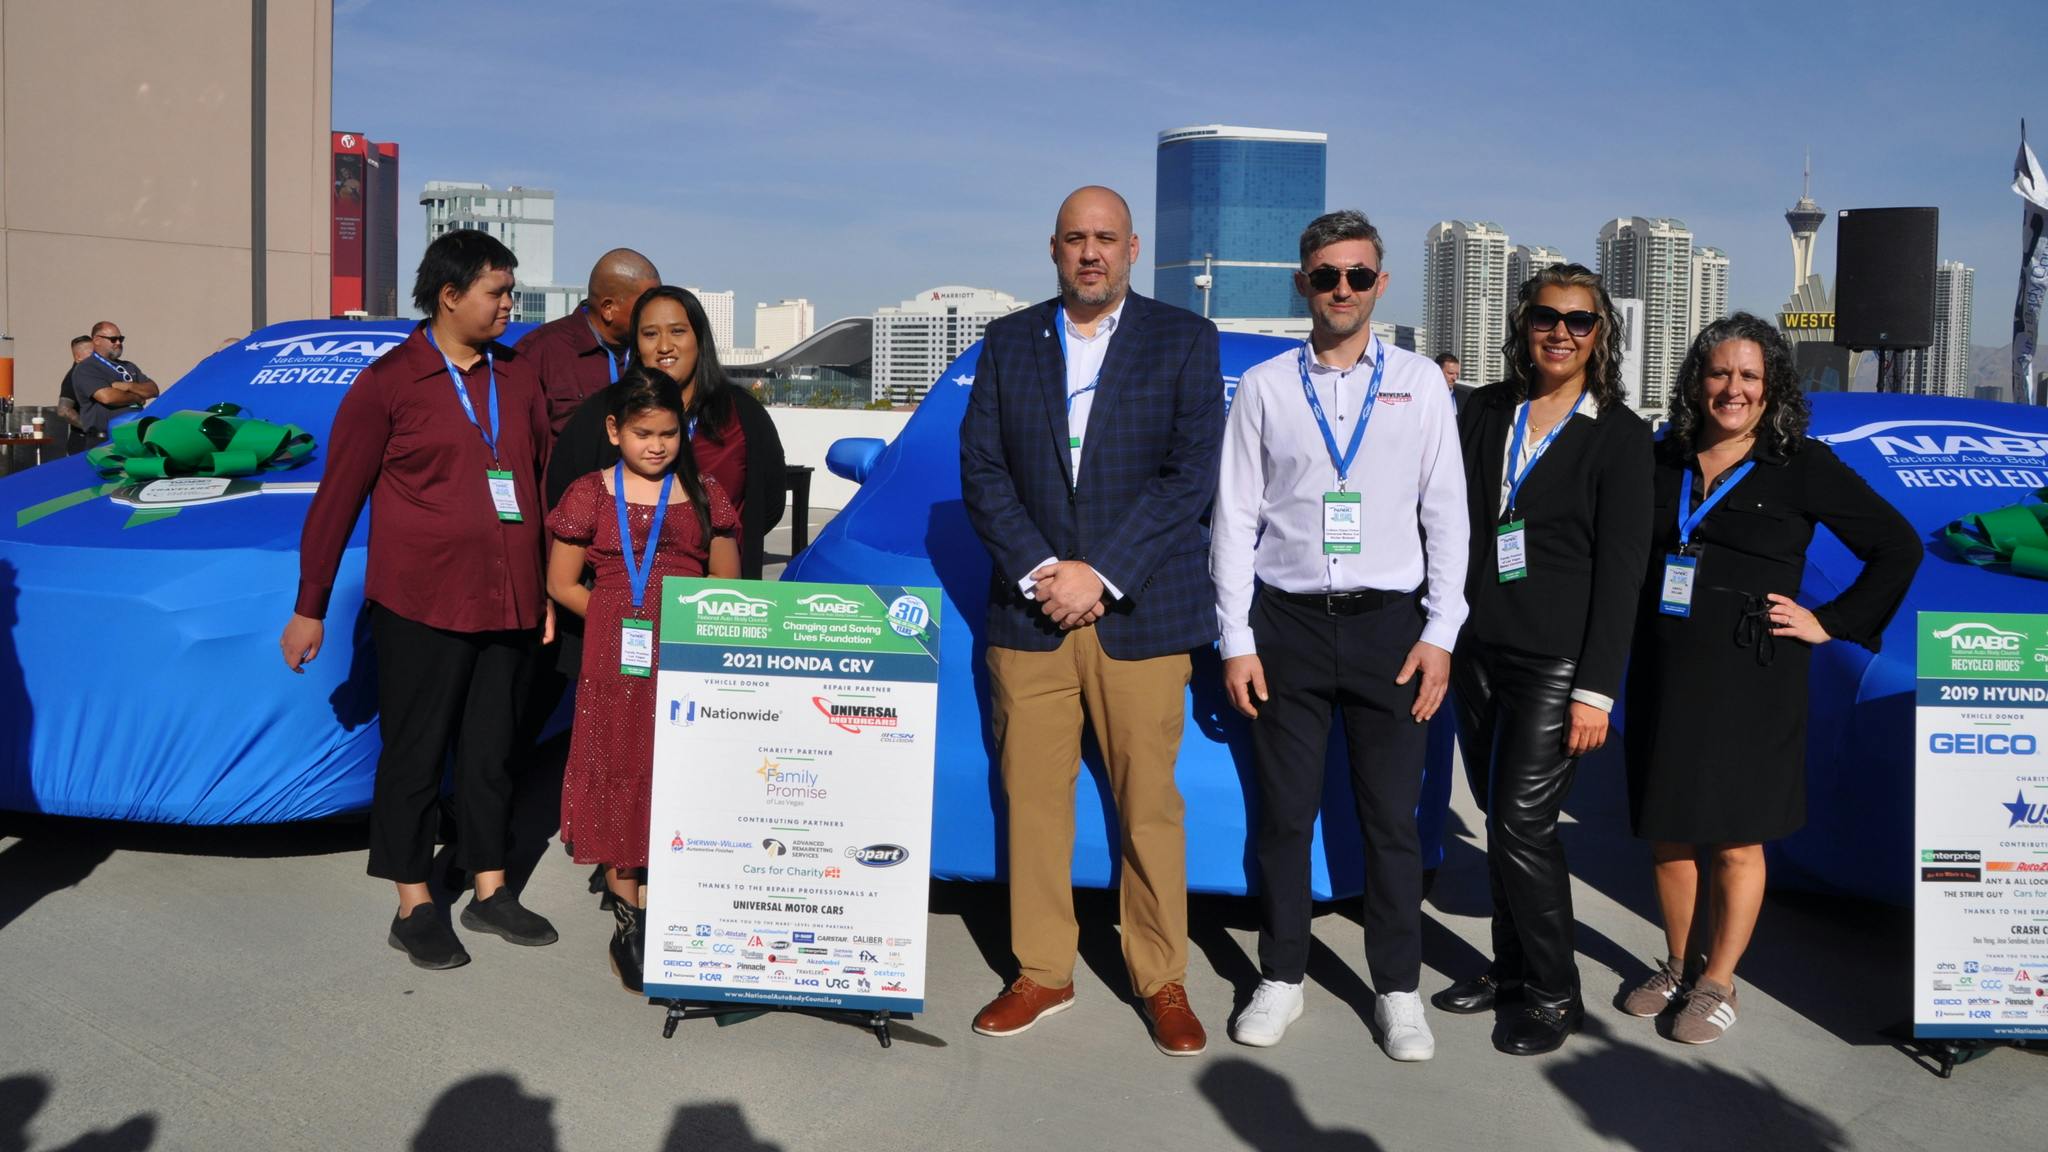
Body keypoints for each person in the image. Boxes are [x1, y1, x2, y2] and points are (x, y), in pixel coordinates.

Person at [960, 185, 1223, 1056]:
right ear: (1053, 248)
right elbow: (984, 471)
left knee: (1149, 807)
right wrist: (1046, 574)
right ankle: (1042, 971)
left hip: (1137, 617)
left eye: (1106, 238)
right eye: (1075, 238)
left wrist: (1100, 576)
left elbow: (1189, 477)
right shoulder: (1006, 343)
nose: (1090, 253)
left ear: (1133, 249)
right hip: (1030, 617)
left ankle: (1163, 978)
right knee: (1033, 805)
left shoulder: (1184, 341)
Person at [1211, 210, 1468, 1060]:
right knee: (1283, 817)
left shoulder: (1421, 383)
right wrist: (1236, 638)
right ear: (1303, 285)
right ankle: (1280, 975)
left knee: (1391, 821)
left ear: (1380, 283)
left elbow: (1448, 516)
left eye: (1359, 275)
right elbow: (1235, 517)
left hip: (1390, 629)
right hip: (1285, 625)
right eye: (1327, 276)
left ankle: (1399, 991)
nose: (1343, 290)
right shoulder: (1265, 388)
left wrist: (1441, 631)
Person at [1620, 314, 1918, 1044]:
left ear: (1772, 386)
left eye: (1750, 376)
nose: (1734, 388)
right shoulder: (1666, 458)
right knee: (1668, 833)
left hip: (1754, 674)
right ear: (1698, 380)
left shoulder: (1800, 464)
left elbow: (1897, 546)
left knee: (1734, 839)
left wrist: (1832, 623)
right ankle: (1678, 965)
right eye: (1720, 373)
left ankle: (1718, 982)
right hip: (1664, 666)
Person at [282, 228, 558, 971]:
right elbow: (336, 499)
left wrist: (547, 590)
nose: (509, 304)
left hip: (510, 601)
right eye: (497, 292)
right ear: (449, 295)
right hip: (422, 603)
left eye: (510, 291)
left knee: (494, 749)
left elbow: (535, 483)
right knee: (414, 752)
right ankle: (415, 901)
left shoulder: (518, 377)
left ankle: (490, 886)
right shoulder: (391, 383)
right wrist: (310, 606)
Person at [1433, 264, 1654, 1055]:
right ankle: (1510, 969)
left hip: (1557, 663)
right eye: (1546, 317)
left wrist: (1597, 691)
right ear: (1524, 325)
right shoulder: (1487, 409)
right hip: (1477, 649)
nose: (1561, 332)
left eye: (1579, 321)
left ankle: (1556, 993)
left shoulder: (1621, 436)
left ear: (1601, 335)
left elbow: (1625, 571)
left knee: (1525, 824)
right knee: (1500, 819)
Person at [546, 365, 739, 992]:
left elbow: (729, 585)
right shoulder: (588, 493)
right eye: (641, 433)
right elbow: (561, 583)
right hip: (614, 667)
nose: (655, 445)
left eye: (668, 433)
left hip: (688, 662)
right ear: (614, 430)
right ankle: (630, 914)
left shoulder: (704, 492)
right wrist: (619, 615)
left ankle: (681, 900)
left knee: (680, 772)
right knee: (619, 771)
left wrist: (676, 622)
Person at [549, 286, 786, 579]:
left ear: (699, 339)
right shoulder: (603, 412)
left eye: (677, 331)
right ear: (636, 345)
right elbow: (563, 497)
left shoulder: (743, 414)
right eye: (650, 334)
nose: (664, 346)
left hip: (713, 602)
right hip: (622, 599)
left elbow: (770, 504)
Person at [518, 249, 661, 438]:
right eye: (647, 304)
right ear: (608, 309)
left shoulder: (657, 351)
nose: (657, 311)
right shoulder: (540, 352)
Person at [71, 322, 160, 443]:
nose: (118, 343)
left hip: (135, 436)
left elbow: (153, 389)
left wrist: (128, 386)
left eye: (121, 339)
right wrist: (137, 397)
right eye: (113, 339)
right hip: (104, 441)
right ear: (97, 340)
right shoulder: (87, 367)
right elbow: (107, 397)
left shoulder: (129, 366)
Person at [57, 336, 93, 453]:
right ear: (78, 357)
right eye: (92, 354)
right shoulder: (73, 377)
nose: (97, 358)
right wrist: (90, 427)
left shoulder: (94, 375)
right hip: (83, 442)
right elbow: (63, 410)